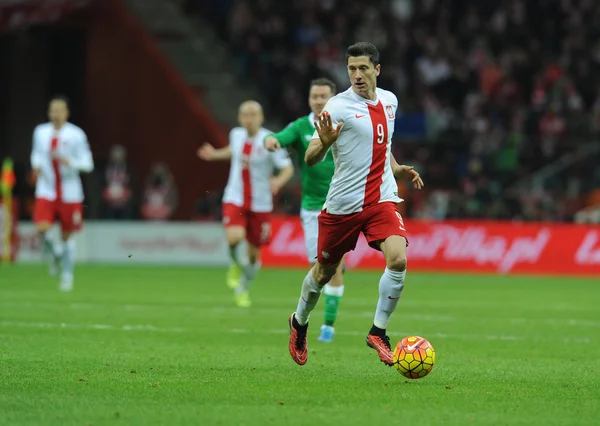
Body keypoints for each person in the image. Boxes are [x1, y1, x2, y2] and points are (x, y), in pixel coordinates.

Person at [287, 42, 424, 366]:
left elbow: (382, 142)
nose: (357, 75)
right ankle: (299, 322)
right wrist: (326, 144)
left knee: (399, 259)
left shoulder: (390, 101)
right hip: (342, 205)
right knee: (323, 274)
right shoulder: (337, 107)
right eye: (351, 69)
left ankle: (378, 331)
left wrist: (396, 168)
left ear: (377, 69)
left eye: (363, 68)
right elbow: (309, 157)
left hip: (381, 199)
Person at [264, 78, 345, 343]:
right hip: (313, 208)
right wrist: (271, 141)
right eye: (315, 96)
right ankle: (307, 319)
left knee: (335, 268)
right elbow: (277, 136)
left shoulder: (345, 122)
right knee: (323, 268)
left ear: (333, 98)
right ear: (309, 99)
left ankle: (328, 326)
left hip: (345, 204)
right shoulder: (301, 126)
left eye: (324, 96)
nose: (319, 101)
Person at [198, 100, 293, 307]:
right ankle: (233, 263)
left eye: (253, 115)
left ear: (261, 118)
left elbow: (287, 168)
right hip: (235, 196)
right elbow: (234, 150)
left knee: (252, 257)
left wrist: (278, 180)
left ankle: (243, 288)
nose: (249, 119)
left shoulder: (270, 141)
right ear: (240, 118)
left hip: (260, 203)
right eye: (245, 115)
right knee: (234, 238)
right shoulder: (236, 134)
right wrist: (215, 154)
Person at [31, 95, 94, 291]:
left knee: (67, 236)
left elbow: (88, 164)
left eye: (59, 110)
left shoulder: (76, 135)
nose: (55, 114)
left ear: (67, 113)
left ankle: (67, 275)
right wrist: (36, 166)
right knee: (42, 229)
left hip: (70, 192)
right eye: (52, 110)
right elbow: (36, 153)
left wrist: (72, 163)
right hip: (47, 189)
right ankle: (56, 253)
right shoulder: (40, 132)